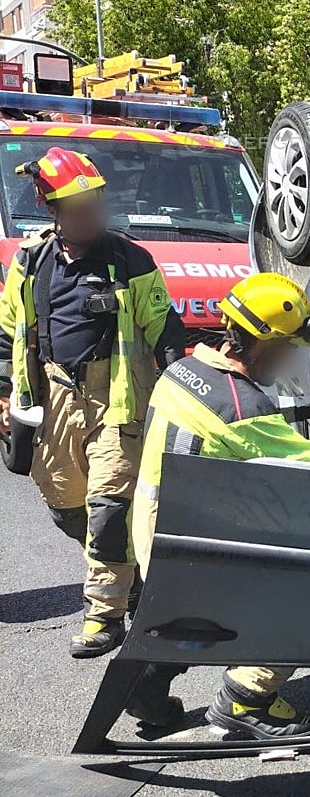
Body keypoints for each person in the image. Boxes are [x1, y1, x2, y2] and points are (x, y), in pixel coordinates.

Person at [122, 272, 310, 738]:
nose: (295, 355)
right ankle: (248, 701)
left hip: (159, 523)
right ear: (267, 346)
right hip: (188, 544)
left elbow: (242, 412)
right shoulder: (240, 411)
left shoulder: (185, 370)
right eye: (293, 346)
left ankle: (147, 689)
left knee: (184, 613)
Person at [0, 147, 185, 657]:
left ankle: (104, 615)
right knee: (66, 507)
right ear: (52, 209)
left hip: (117, 401)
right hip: (55, 399)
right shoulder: (29, 262)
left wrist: (179, 392)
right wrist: (5, 395)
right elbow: (7, 333)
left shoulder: (131, 260)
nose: (91, 212)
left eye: (95, 202)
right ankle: (129, 573)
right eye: (78, 205)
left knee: (109, 508)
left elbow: (165, 332)